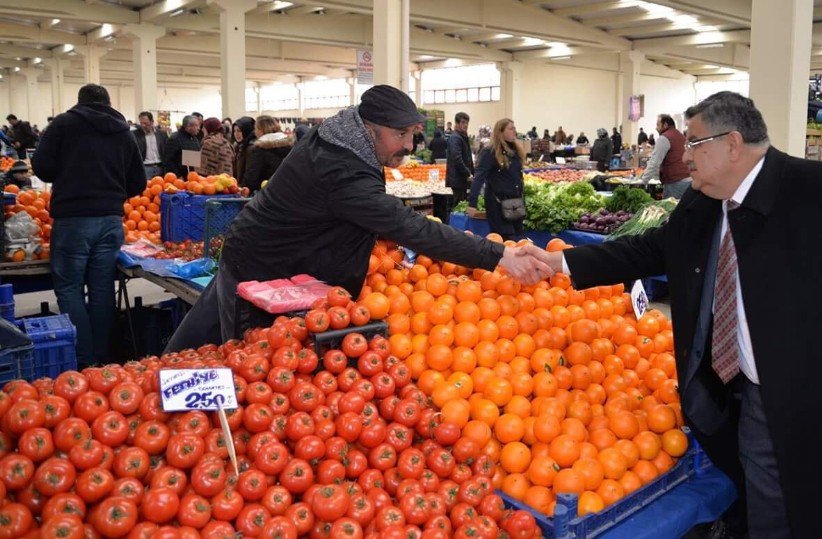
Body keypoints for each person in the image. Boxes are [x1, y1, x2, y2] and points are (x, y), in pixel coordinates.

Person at [521, 91, 822, 537]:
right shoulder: (704, 202)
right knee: (768, 511)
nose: (684, 156)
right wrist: (560, 263)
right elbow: (651, 249)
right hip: (756, 396)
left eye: (694, 143)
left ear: (732, 144)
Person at [164, 85, 549, 350]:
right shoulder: (341, 167)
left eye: (413, 134)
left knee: (202, 337)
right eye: (401, 135)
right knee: (228, 355)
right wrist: (498, 256)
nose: (409, 146)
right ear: (371, 128)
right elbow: (407, 225)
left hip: (277, 263)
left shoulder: (344, 139)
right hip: (263, 273)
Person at [31, 84, 146, 368]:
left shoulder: (64, 124)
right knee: (102, 289)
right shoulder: (123, 132)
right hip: (110, 221)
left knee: (70, 288)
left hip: (73, 220)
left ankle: (83, 361)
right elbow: (138, 182)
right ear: (108, 103)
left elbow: (42, 167)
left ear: (80, 102)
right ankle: (102, 361)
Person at [468, 119, 525, 240]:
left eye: (514, 128)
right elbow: (479, 178)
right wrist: (472, 202)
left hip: (515, 204)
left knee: (518, 238)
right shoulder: (490, 152)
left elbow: (518, 177)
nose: (515, 131)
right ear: (500, 131)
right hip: (498, 205)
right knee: (505, 240)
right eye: (511, 128)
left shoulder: (515, 151)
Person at [640, 114, 691, 198]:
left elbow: (654, 162)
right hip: (687, 180)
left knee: (671, 209)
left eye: (658, 124)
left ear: (665, 125)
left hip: (675, 183)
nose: (656, 128)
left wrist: (643, 181)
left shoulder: (664, 138)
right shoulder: (680, 135)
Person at [242, 115, 294, 193]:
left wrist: (244, 188)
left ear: (261, 130)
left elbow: (251, 177)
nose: (255, 132)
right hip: (289, 193)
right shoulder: (291, 146)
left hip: (265, 195)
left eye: (255, 128)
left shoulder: (258, 150)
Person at [446, 112, 473, 207]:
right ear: (457, 123)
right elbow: (457, 159)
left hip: (462, 179)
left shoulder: (462, 136)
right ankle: (452, 222)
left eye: (467, 123)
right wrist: (467, 173)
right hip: (458, 179)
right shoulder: (455, 138)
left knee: (460, 204)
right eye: (463, 122)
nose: (465, 125)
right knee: (457, 206)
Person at [133, 111, 168, 179]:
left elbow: (166, 151)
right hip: (145, 168)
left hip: (160, 167)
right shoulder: (135, 135)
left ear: (152, 122)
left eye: (145, 123)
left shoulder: (162, 134)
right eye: (141, 123)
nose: (143, 125)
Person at [232, 116, 256, 186]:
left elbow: (250, 174)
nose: (236, 134)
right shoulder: (238, 146)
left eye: (239, 131)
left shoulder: (251, 148)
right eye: (234, 131)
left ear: (246, 130)